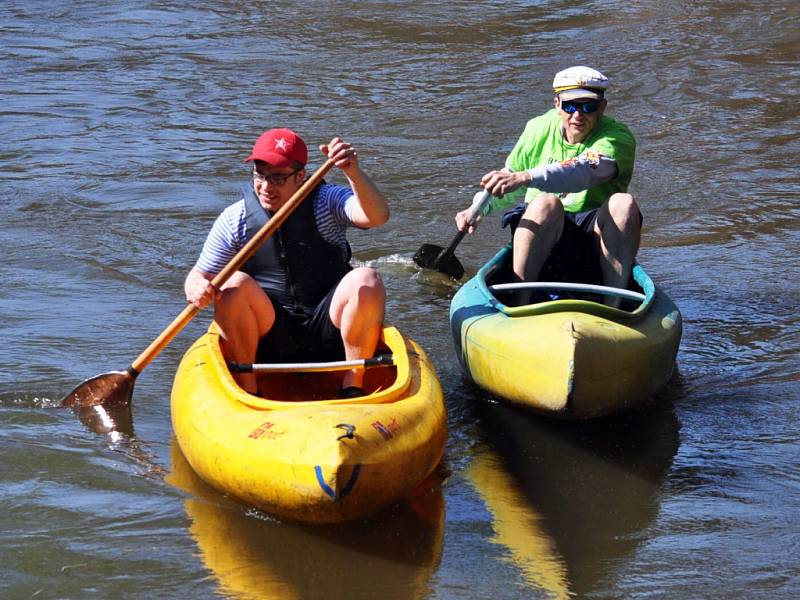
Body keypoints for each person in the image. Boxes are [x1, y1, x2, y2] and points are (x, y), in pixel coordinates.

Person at [185, 128, 390, 397]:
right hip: (269, 335)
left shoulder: (326, 203)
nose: (266, 187)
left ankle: (352, 385)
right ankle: (250, 389)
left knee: (366, 279)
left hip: (329, 328)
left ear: (301, 176)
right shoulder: (235, 219)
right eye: (260, 175)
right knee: (232, 284)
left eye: (278, 178)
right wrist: (197, 288)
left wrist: (353, 173)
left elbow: (376, 217)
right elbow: (198, 275)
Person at [455, 66, 639, 304]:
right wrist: (477, 209)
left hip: (594, 238)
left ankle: (613, 304)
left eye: (588, 106)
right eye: (570, 106)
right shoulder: (538, 128)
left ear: (602, 107)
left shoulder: (617, 138)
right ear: (557, 104)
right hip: (543, 227)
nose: (577, 116)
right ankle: (520, 301)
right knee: (546, 203)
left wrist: (526, 177)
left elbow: (582, 171)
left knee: (623, 203)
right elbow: (509, 177)